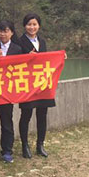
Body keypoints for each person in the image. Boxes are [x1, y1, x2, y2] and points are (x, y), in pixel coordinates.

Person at [17, 13, 55, 159]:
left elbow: (47, 60)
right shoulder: (19, 42)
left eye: (34, 24)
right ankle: (25, 145)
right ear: (24, 26)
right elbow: (15, 61)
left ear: (39, 26)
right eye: (29, 24)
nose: (32, 27)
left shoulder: (42, 41)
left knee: (42, 114)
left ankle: (40, 144)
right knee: (26, 114)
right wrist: (26, 57)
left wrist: (60, 57)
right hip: (27, 83)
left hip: (42, 83)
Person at [0, 20, 23, 164]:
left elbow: (20, 67)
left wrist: (3, 58)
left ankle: (7, 150)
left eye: (6, 31)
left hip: (7, 91)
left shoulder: (17, 49)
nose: (3, 34)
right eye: (0, 31)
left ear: (12, 33)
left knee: (6, 122)